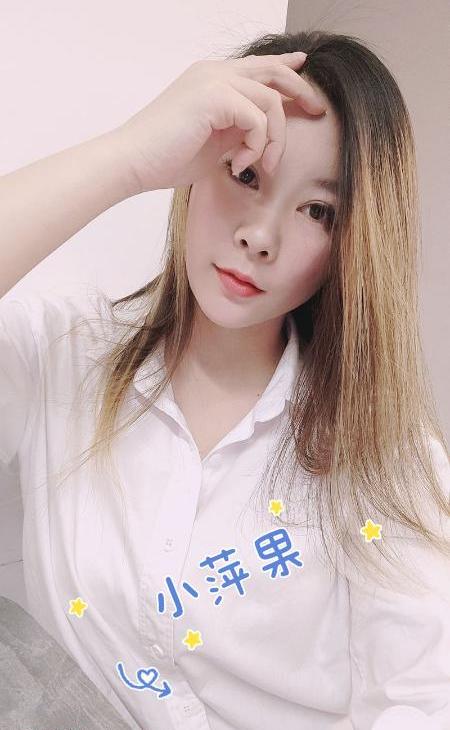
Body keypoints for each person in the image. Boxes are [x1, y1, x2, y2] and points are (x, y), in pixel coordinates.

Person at [0, 28, 449, 730]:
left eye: (317, 211)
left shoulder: (382, 449)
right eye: (245, 176)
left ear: (351, 242)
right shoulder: (66, 354)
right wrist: (127, 156)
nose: (260, 236)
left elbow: (423, 701)